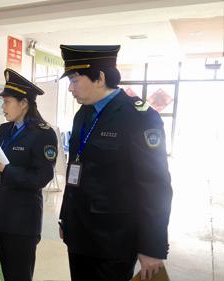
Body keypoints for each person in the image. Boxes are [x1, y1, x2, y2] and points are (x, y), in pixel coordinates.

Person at [57, 45, 173, 281]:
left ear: (99, 78)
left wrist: (151, 246)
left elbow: (155, 186)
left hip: (114, 240)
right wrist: (65, 218)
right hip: (79, 234)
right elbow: (75, 169)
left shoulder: (138, 117)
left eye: (75, 80)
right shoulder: (83, 114)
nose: (70, 88)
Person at [0, 68, 57, 281]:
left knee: (19, 276)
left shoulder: (43, 134)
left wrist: (6, 169)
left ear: (23, 103)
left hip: (22, 221)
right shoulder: (3, 130)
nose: (2, 106)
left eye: (7, 102)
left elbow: (41, 177)